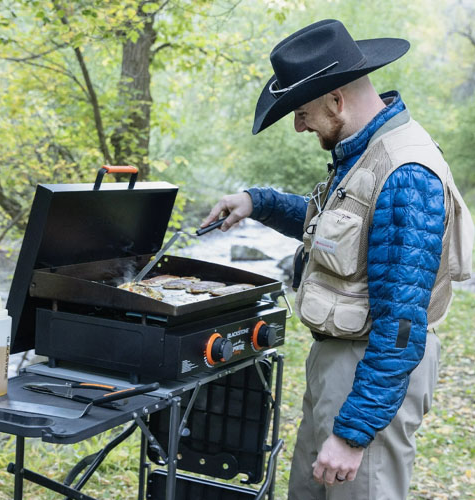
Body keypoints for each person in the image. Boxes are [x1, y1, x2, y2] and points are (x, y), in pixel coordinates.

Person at [202, 19, 473, 500]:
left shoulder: (406, 173)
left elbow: (401, 324)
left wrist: (353, 434)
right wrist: (256, 201)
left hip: (370, 370)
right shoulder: (363, 153)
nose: (299, 125)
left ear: (335, 99)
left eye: (302, 112)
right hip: (340, 364)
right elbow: (333, 232)